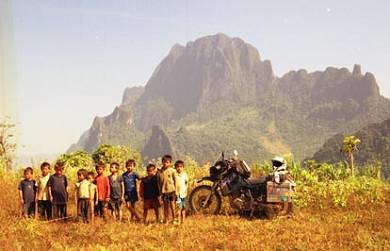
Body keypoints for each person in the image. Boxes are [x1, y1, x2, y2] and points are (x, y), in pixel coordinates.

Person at [157, 154, 177, 224]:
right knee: (165, 207)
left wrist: (176, 191)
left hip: (172, 191)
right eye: (164, 162)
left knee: (172, 206)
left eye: (167, 162)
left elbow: (175, 181)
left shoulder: (173, 171)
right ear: (162, 162)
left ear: (170, 163)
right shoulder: (159, 172)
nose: (165, 163)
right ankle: (167, 220)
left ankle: (174, 219)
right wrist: (159, 193)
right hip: (164, 192)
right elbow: (158, 183)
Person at [175, 160, 188, 224]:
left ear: (183, 167)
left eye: (181, 166)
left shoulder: (185, 175)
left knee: (184, 208)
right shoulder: (175, 175)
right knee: (178, 208)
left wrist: (186, 190)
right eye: (178, 167)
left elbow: (186, 183)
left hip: (184, 194)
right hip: (177, 194)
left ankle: (183, 220)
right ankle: (178, 220)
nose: (179, 168)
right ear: (175, 167)